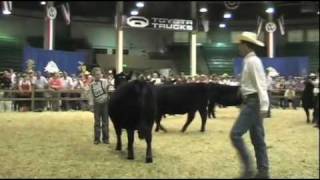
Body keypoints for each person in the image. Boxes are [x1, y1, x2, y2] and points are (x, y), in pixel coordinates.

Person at [230, 32, 270, 179]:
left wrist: (264, 106)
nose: (239, 47)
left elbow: (261, 84)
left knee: (235, 134)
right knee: (258, 138)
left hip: (254, 102)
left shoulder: (252, 61)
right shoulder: (250, 61)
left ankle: (249, 171)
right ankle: (263, 172)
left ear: (245, 45)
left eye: (240, 44)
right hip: (253, 101)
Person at [88, 67, 110, 145]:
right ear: (94, 75)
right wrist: (91, 105)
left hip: (105, 103)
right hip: (97, 104)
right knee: (97, 122)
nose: (98, 76)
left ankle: (106, 139)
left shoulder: (105, 82)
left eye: (99, 74)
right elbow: (90, 95)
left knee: (105, 122)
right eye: (97, 74)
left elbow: (109, 90)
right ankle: (97, 139)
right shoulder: (91, 85)